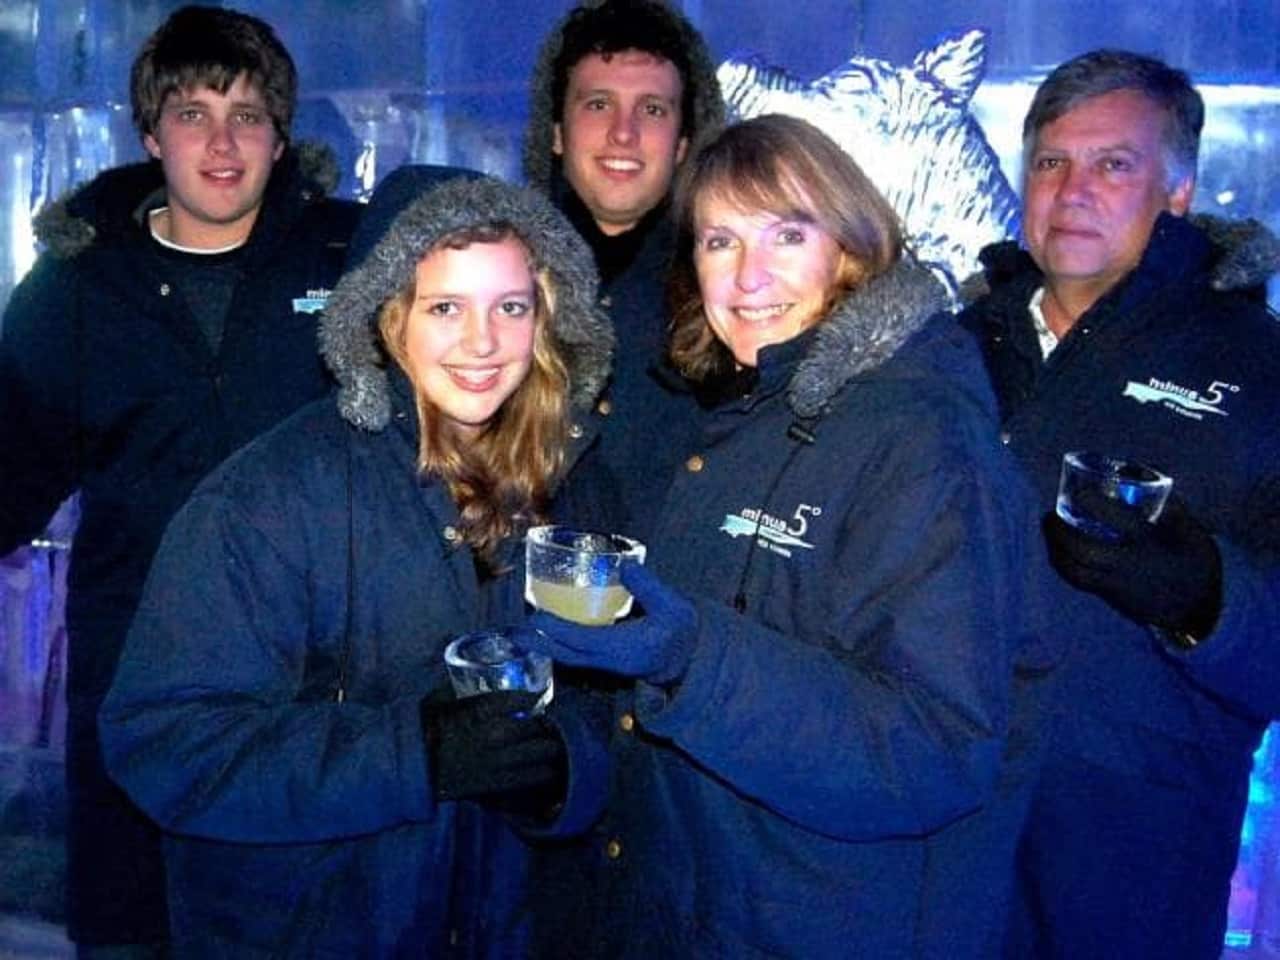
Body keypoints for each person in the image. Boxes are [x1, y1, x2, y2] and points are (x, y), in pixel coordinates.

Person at [519, 114, 1059, 958]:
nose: (747, 275)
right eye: (719, 241)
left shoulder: (921, 438)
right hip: (720, 909)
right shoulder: (748, 413)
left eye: (787, 233)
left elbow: (935, 749)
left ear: (849, 246)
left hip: (837, 921)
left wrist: (692, 659)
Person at [99, 172, 615, 956]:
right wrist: (416, 756)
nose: (483, 342)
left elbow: (615, 714)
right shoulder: (270, 498)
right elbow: (165, 742)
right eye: (446, 307)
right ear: (388, 319)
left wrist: (560, 773)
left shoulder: (573, 485)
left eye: (511, 306)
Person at [0, 6, 360, 954]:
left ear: (283, 136)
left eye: (247, 113)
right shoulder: (80, 289)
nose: (222, 141)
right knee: (134, 930)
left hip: (313, 681)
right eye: (192, 113)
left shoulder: (351, 261)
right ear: (150, 132)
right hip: (136, 675)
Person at [957, 50, 1280, 958]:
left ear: (1179, 191)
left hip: (1132, 868)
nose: (1072, 191)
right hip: (938, 843)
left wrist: (1203, 597)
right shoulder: (948, 349)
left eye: (1114, 164)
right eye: (1052, 163)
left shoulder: (1260, 369)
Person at [523, 0, 724, 539]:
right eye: (598, 104)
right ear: (557, 132)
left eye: (653, 109)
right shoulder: (492, 275)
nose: (624, 133)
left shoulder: (735, 292)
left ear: (683, 143)